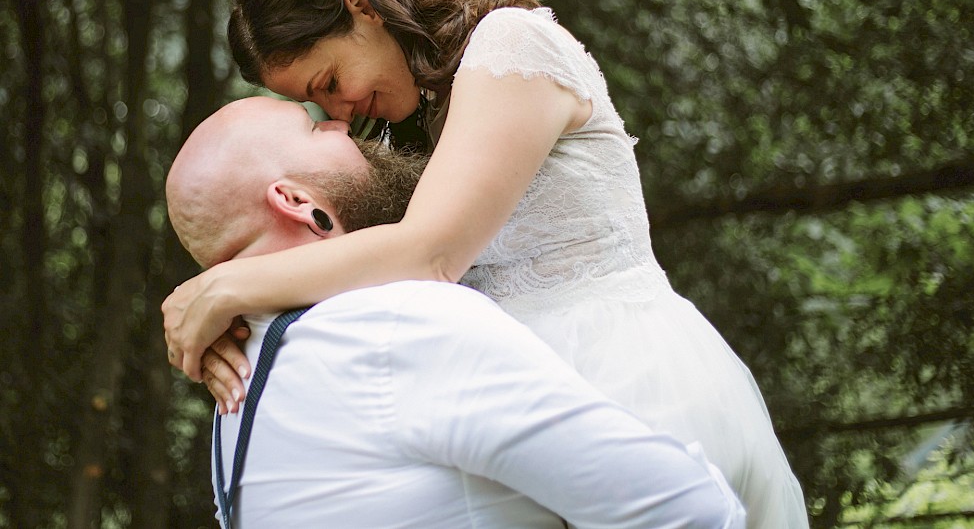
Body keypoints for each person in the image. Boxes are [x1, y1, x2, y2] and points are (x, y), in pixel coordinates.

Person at [162, 0, 808, 528]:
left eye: (330, 78)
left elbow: (430, 253)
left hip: (627, 375)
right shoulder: (403, 124)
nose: (340, 108)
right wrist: (233, 328)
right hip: (508, 407)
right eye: (317, 101)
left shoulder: (510, 45)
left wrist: (226, 288)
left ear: (360, 5)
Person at [166, 96, 745, 528]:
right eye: (318, 127)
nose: (342, 121)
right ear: (296, 201)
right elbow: (687, 510)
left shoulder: (232, 412)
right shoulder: (397, 324)